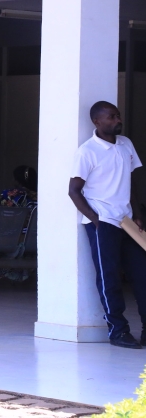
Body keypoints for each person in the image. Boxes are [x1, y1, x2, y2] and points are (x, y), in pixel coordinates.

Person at [69, 101, 146, 349]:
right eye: (111, 117)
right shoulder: (87, 151)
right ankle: (118, 331)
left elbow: (130, 181)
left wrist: (137, 212)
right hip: (104, 224)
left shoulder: (126, 144)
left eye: (117, 115)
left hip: (128, 222)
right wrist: (95, 219)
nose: (116, 120)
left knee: (141, 275)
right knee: (109, 277)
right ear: (97, 121)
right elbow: (74, 191)